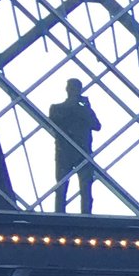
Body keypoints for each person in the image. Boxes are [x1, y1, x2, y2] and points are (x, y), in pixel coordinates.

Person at [49, 78, 98, 215]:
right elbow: (54, 123)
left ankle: (68, 214)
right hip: (71, 151)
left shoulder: (63, 108)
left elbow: (97, 125)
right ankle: (64, 214)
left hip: (73, 151)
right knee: (67, 186)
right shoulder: (58, 108)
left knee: (80, 187)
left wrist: (85, 108)